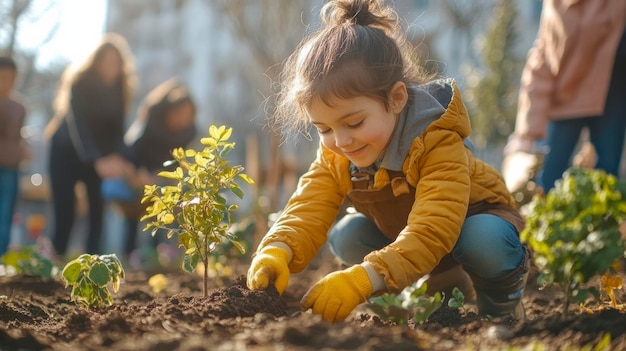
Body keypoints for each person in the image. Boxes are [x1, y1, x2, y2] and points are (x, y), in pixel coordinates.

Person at [246, 0, 530, 323]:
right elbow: (308, 204)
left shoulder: (436, 138)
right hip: (418, 244)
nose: (341, 141)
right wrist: (277, 249)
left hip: (474, 225)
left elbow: (433, 227)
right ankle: (430, 296)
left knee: (484, 240)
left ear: (396, 99)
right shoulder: (339, 154)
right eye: (324, 128)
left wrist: (363, 278)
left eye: (354, 123)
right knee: (349, 235)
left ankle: (502, 310)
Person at [504, 0, 626, 192]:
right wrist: (527, 132)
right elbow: (543, 58)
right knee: (550, 178)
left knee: (607, 180)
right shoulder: (556, 6)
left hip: (611, 96)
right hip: (567, 98)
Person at [44, 33, 137, 257]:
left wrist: (121, 158)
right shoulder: (80, 83)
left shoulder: (120, 89)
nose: (110, 66)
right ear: (95, 61)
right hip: (67, 152)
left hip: (99, 158)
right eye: (105, 60)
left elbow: (117, 131)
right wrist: (95, 159)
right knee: (65, 209)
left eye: (116, 62)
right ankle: (56, 258)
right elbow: (79, 126)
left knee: (97, 211)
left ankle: (93, 265)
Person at [107, 78, 197, 258]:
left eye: (188, 116)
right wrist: (138, 174)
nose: (182, 120)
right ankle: (128, 256)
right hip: (138, 176)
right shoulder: (152, 122)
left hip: (162, 179)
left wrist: (162, 175)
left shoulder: (189, 131)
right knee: (134, 216)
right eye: (179, 114)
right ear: (169, 111)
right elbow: (133, 150)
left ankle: (158, 254)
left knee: (162, 214)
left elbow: (178, 159)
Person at [0, 56, 29, 256]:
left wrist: (23, 147)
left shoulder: (19, 107)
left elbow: (18, 136)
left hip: (10, 168)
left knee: (5, 216)